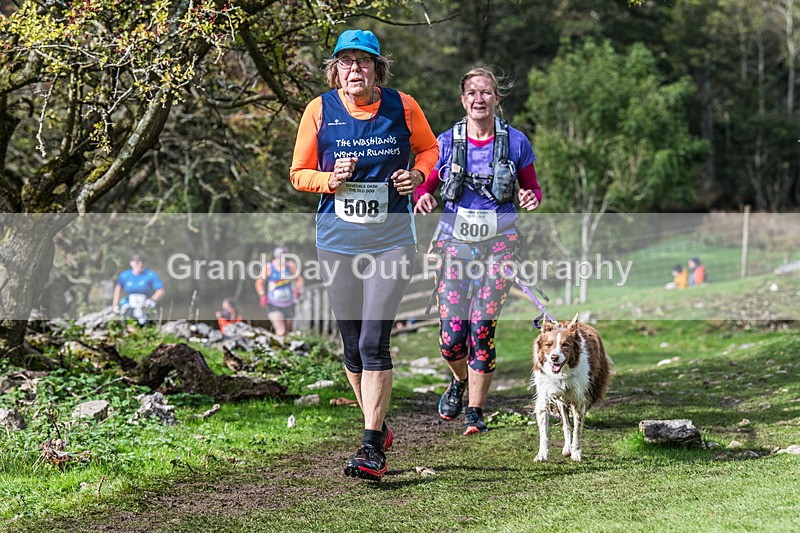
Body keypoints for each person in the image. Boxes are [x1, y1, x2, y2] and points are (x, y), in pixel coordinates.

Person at [290, 29, 439, 481]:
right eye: (346, 62)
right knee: (352, 344)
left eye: (364, 62)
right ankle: (377, 426)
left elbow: (431, 150)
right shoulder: (319, 109)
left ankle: (371, 446)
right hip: (337, 241)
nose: (355, 70)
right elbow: (298, 173)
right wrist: (328, 180)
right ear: (335, 68)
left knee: (375, 340)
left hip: (392, 238)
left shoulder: (404, 106)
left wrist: (417, 175)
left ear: (378, 68)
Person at [413, 67, 541, 436]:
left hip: (500, 242)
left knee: (482, 326)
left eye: (486, 92)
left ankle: (474, 411)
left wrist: (530, 197)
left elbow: (532, 188)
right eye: (472, 93)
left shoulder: (516, 142)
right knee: (453, 337)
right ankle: (457, 380)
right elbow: (426, 184)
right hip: (454, 242)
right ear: (463, 99)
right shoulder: (448, 141)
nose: (479, 99)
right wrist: (422, 198)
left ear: (497, 99)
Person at [255, 246, 303, 336]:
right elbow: (259, 283)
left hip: (289, 303)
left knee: (289, 330)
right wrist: (262, 295)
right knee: (281, 330)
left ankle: (287, 349)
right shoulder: (269, 267)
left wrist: (298, 289)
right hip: (273, 303)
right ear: (276, 256)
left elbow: (299, 279)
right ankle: (277, 348)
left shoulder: (291, 266)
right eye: (280, 256)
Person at [111, 253, 164, 326]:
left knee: (146, 318)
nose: (140, 264)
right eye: (137, 262)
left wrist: (152, 300)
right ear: (131, 263)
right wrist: (115, 305)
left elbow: (160, 290)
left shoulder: (150, 275)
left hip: (145, 302)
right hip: (130, 302)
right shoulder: (124, 275)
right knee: (127, 314)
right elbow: (117, 290)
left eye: (142, 262)